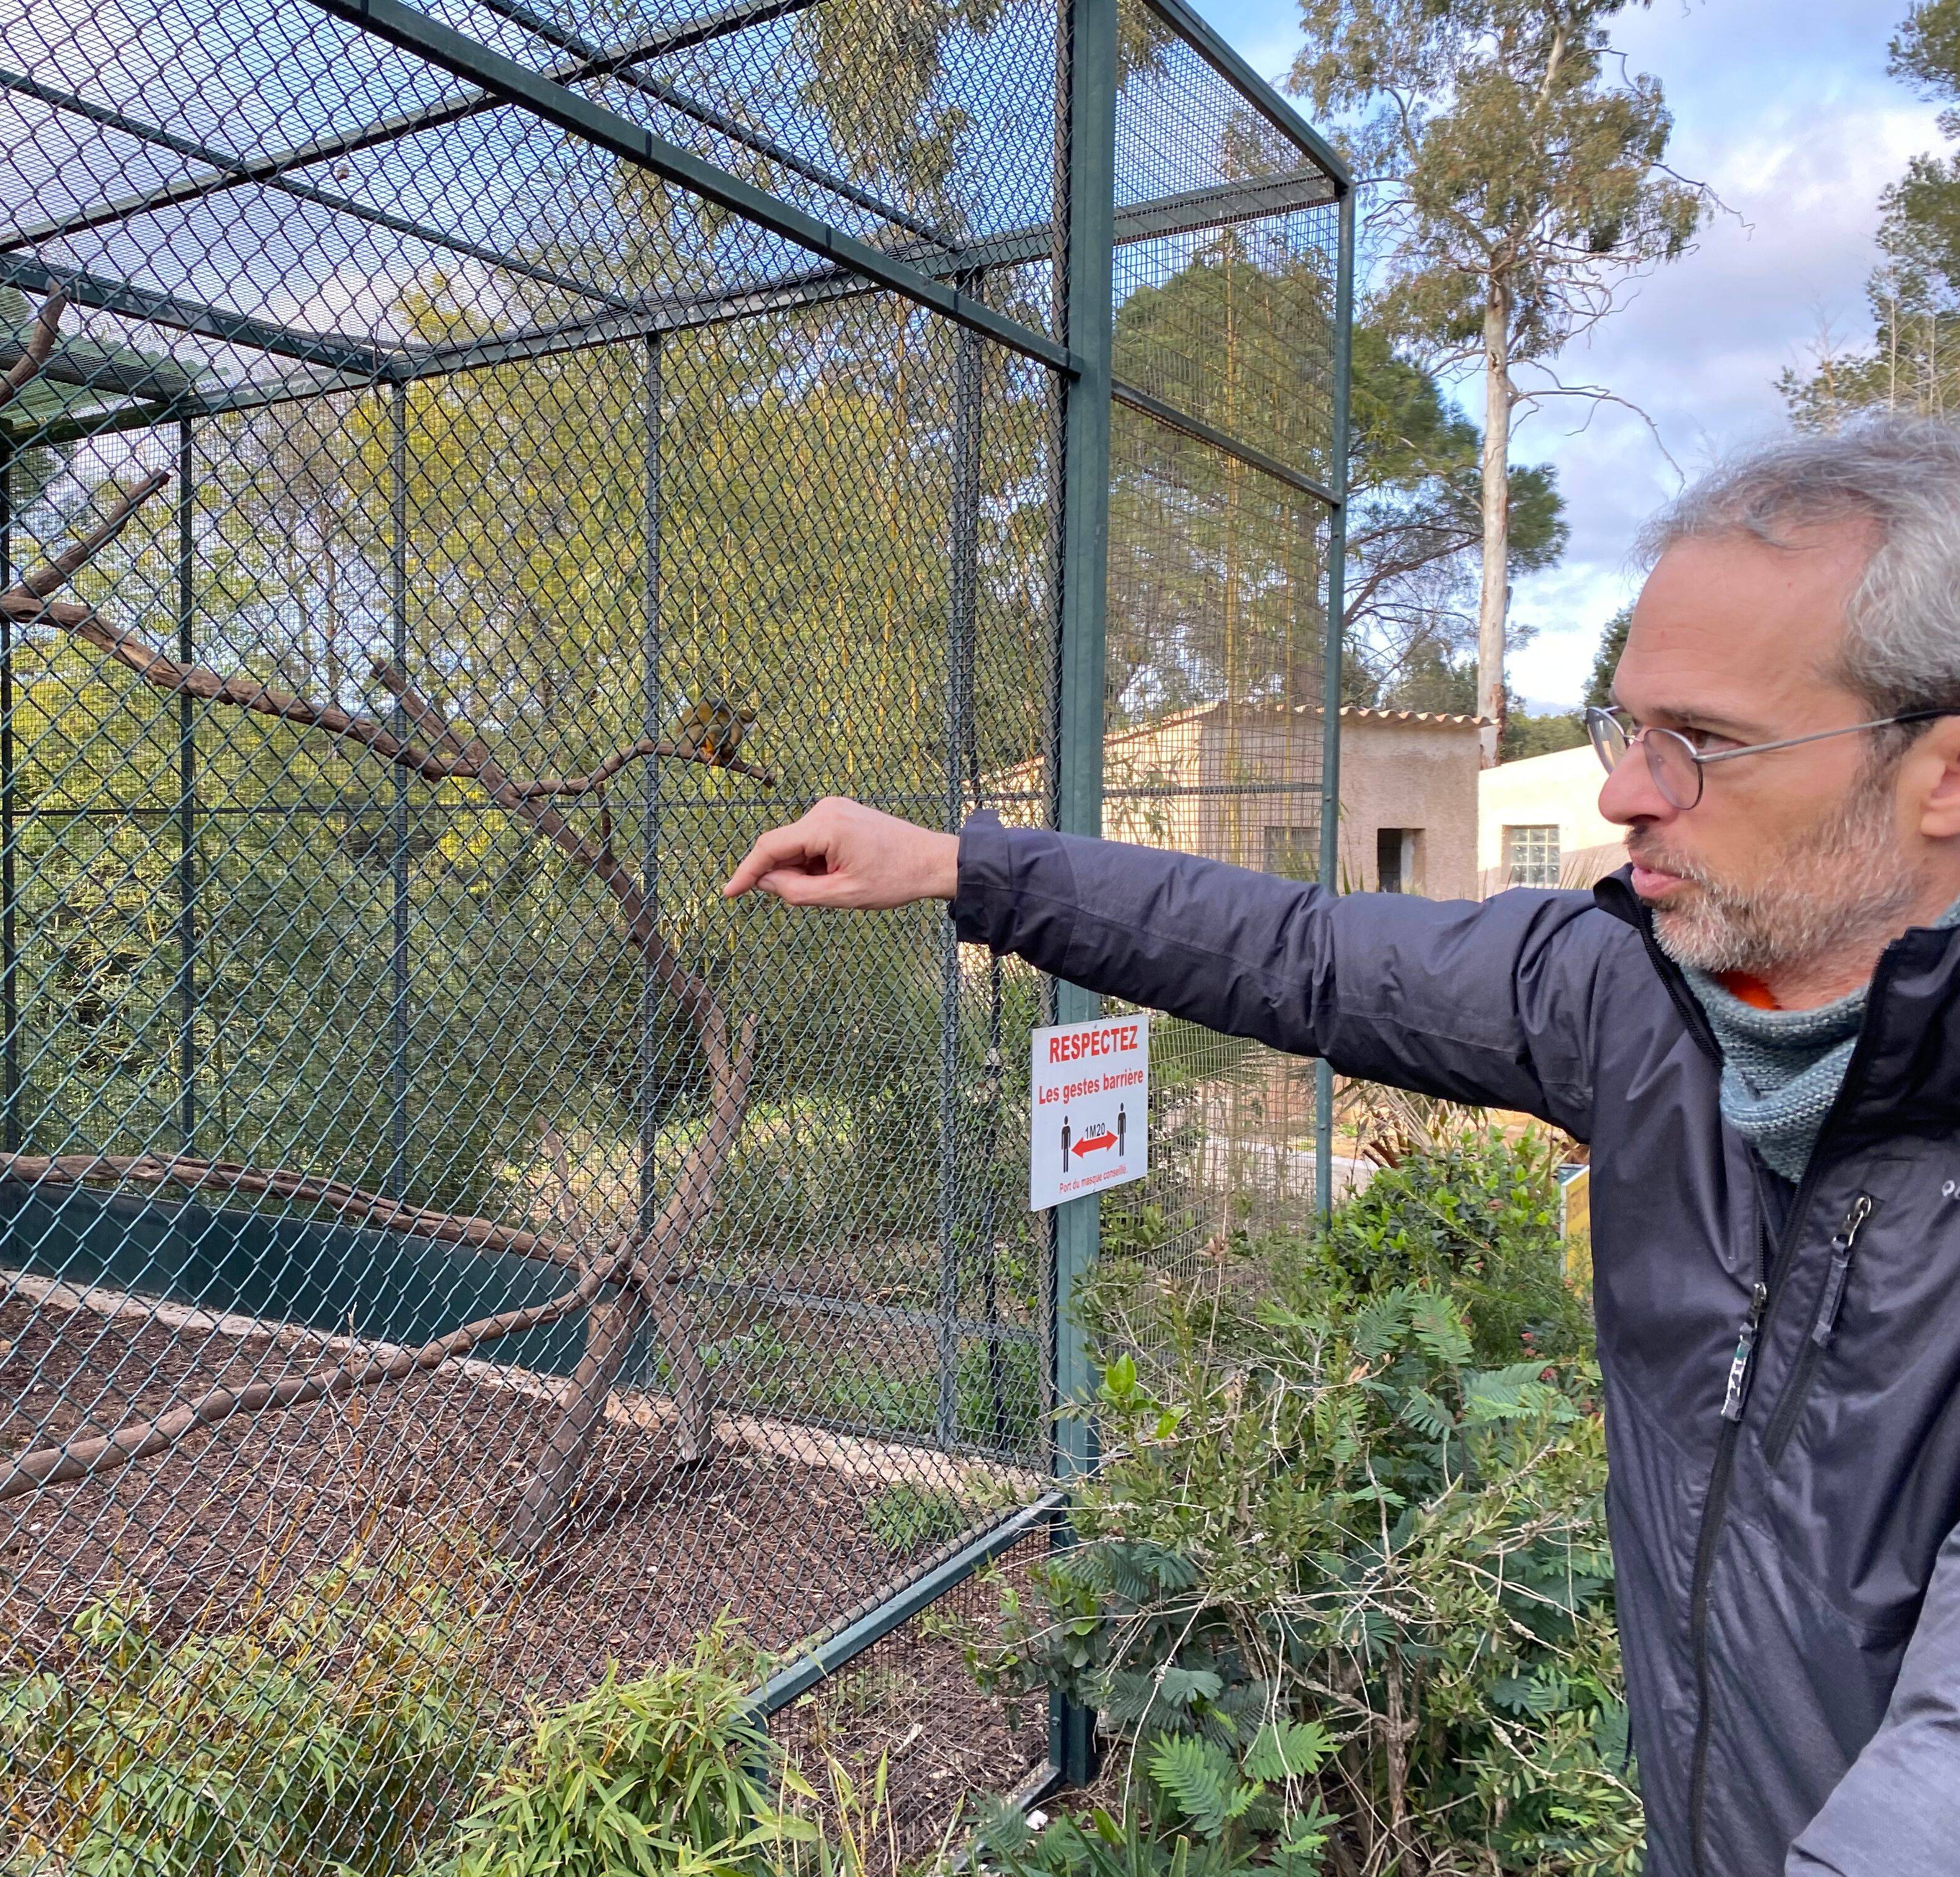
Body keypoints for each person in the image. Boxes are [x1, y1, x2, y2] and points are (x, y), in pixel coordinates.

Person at [722, 416, 1960, 1877]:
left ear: (1941, 773)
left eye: (1707, 745)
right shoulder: (1636, 998)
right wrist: (965, 866)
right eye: (1628, 726)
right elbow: (1305, 952)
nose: (1627, 789)